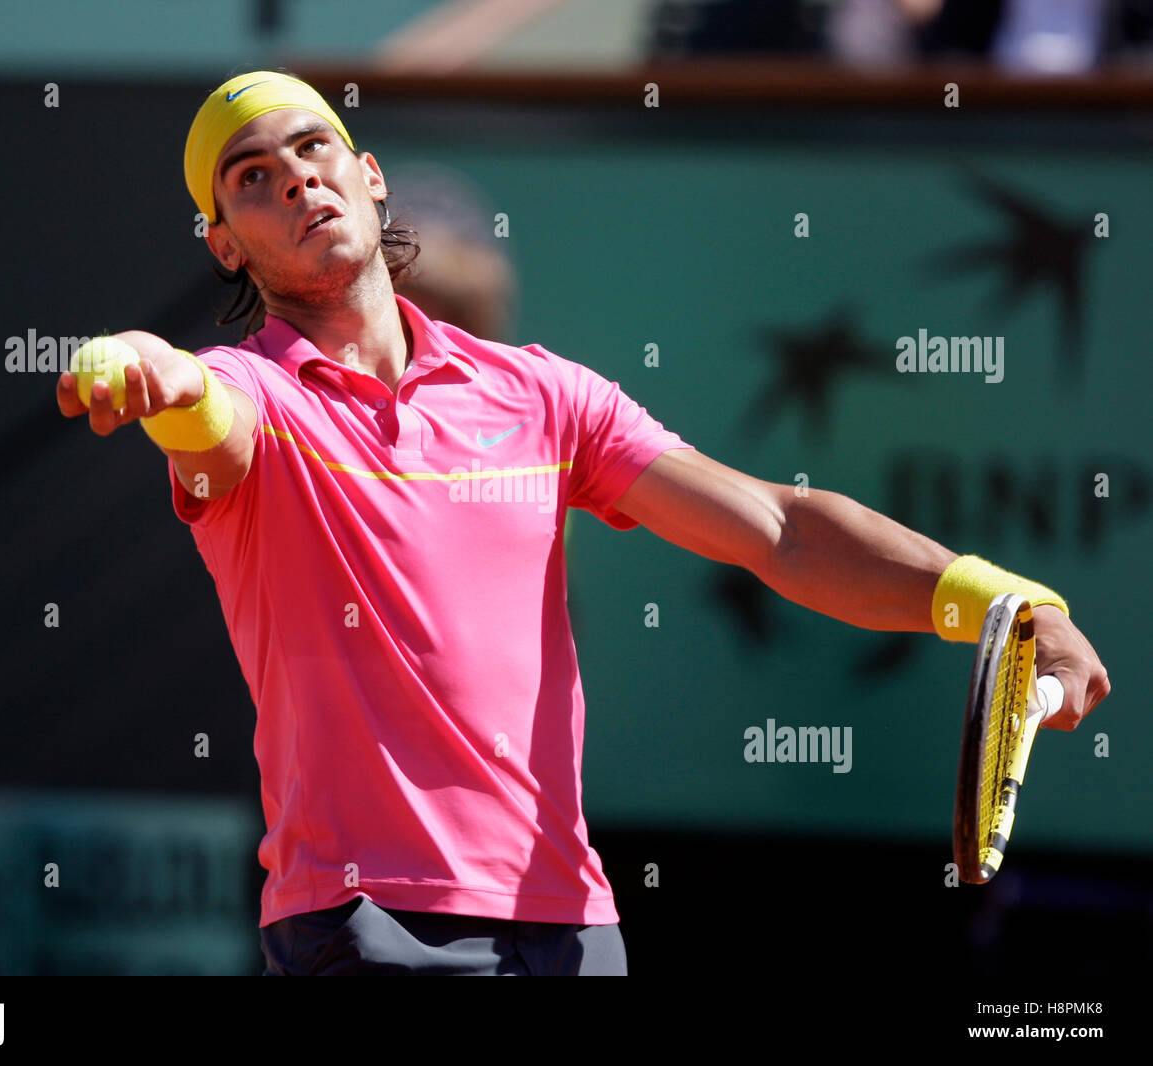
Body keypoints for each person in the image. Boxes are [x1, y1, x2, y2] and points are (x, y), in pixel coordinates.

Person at [55, 71, 1111, 976]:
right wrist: (151, 368)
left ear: (366, 173)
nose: (293, 176)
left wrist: (994, 597)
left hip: (566, 924)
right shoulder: (259, 401)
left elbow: (777, 527)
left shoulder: (543, 396)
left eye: (312, 145)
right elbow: (205, 410)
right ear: (225, 245)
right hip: (369, 924)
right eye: (251, 176)